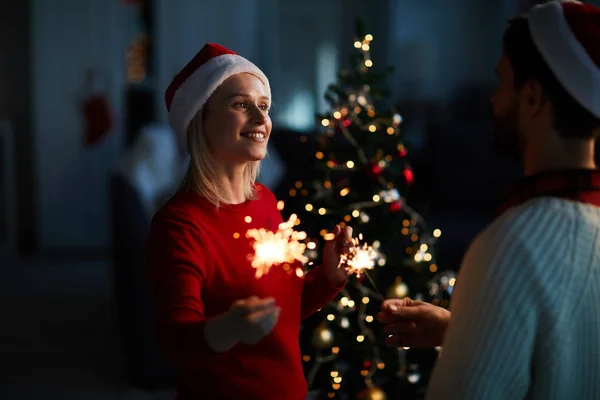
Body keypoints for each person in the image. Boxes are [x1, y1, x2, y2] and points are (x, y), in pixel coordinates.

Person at [378, 1, 600, 398]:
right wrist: (466, 333)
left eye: (502, 83)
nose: (493, 100)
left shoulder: (515, 244)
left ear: (532, 98)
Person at [145, 43, 352, 400]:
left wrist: (328, 278)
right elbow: (175, 340)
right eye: (240, 105)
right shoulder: (180, 225)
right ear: (200, 120)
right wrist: (227, 328)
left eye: (264, 106)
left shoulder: (266, 201)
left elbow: (280, 315)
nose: (261, 118)